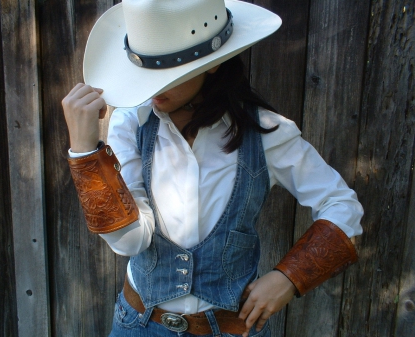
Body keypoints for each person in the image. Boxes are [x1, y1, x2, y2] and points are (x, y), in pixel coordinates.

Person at [62, 1, 364, 336]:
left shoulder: (264, 133)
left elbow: (342, 206)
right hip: (138, 324)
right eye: (145, 73)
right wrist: (85, 153)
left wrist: (289, 277)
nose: (154, 88)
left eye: (168, 74)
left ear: (214, 63)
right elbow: (131, 241)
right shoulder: (130, 123)